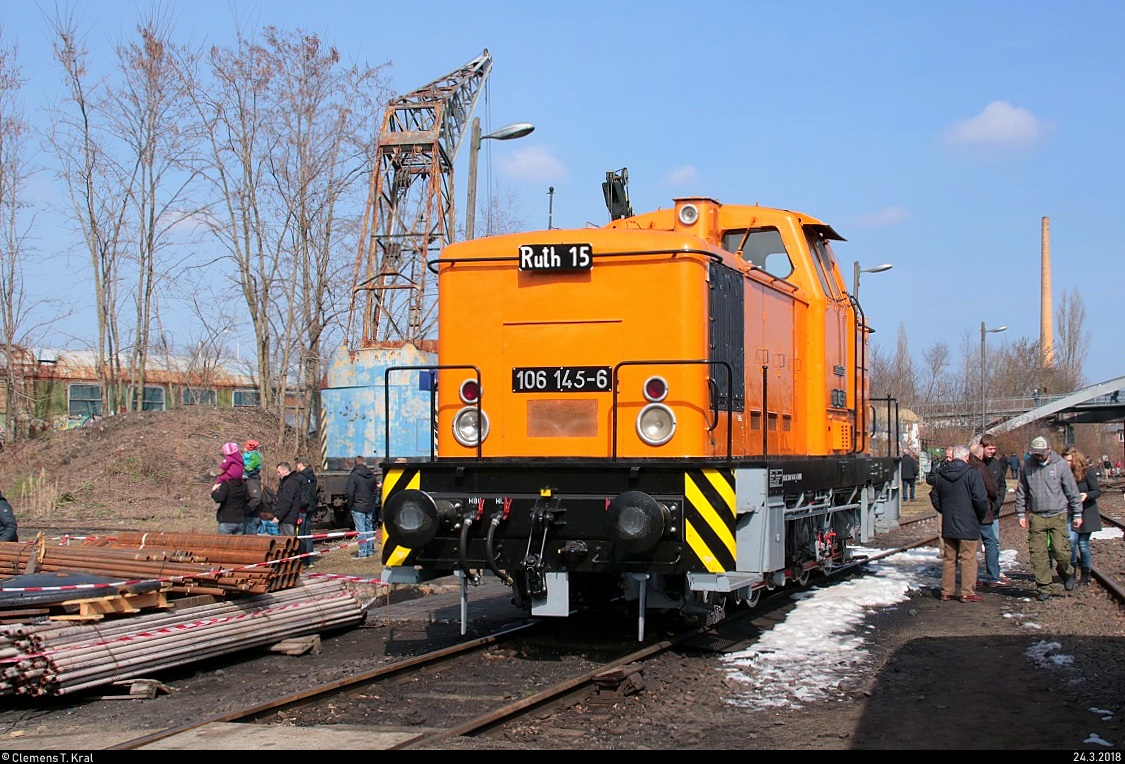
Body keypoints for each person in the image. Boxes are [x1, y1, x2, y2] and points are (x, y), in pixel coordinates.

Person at [1015, 436, 1082, 601]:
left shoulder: (1060, 466)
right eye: (1035, 453)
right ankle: (1044, 588)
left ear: (1049, 450)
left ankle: (1067, 572)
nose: (1038, 457)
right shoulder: (1027, 467)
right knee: (1038, 554)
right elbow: (1022, 491)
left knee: (1061, 551)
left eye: (1041, 453)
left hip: (1057, 514)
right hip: (1037, 516)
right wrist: (1021, 514)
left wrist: (1077, 513)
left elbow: (1072, 490)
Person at [930, 445, 989, 602]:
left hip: (949, 521)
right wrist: (979, 515)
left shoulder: (941, 474)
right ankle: (967, 592)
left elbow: (934, 496)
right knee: (968, 558)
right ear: (967, 457)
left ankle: (946, 591)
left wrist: (944, 510)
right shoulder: (972, 474)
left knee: (949, 558)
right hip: (968, 522)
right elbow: (981, 499)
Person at [971, 439, 1010, 587]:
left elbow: (1000, 486)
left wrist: (997, 504)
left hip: (991, 510)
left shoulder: (995, 465)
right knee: (988, 543)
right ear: (982, 449)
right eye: (990, 449)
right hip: (982, 511)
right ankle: (991, 576)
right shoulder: (979, 466)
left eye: (994, 449)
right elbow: (991, 488)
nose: (992, 452)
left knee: (990, 543)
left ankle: (989, 574)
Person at [1061, 447, 1101, 586]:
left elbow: (1096, 491)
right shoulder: (1063, 473)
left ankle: (1085, 574)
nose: (1067, 463)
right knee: (1071, 541)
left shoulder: (1087, 472)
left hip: (1087, 511)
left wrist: (1086, 495)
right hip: (1070, 511)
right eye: (1065, 461)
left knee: (1083, 544)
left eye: (1070, 461)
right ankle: (1071, 573)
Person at [345, 456, 379, 558]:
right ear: (364, 463)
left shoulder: (353, 476)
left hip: (358, 506)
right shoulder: (371, 475)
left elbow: (350, 492)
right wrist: (373, 502)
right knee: (369, 528)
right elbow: (375, 491)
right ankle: (370, 550)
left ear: (355, 463)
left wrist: (350, 505)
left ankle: (363, 552)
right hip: (369, 505)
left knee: (361, 530)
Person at [294, 457, 318, 567]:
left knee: (301, 535)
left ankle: (304, 559)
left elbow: (300, 494)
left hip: (302, 508)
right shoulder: (312, 476)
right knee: (308, 534)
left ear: (300, 464)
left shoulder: (300, 477)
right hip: (310, 508)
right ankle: (311, 559)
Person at [273, 461, 303, 541]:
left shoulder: (289, 483)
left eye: (279, 472)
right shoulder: (288, 482)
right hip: (287, 518)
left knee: (288, 542)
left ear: (285, 471)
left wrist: (279, 516)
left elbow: (286, 502)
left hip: (287, 519)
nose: (278, 474)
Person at [242, 439, 264, 535]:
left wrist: (246, 510)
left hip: (250, 517)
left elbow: (256, 498)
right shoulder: (247, 455)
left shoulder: (252, 482)